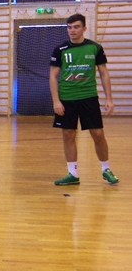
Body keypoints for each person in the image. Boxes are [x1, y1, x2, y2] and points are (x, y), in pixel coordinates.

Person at [49, 14, 118, 186]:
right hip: (67, 99)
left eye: (76, 27)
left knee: (98, 134)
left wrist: (109, 99)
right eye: (69, 27)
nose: (72, 30)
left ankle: (106, 169)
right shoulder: (60, 49)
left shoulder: (95, 48)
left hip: (89, 97)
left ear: (84, 28)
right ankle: (72, 173)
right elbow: (53, 76)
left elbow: (104, 73)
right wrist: (56, 101)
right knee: (68, 135)